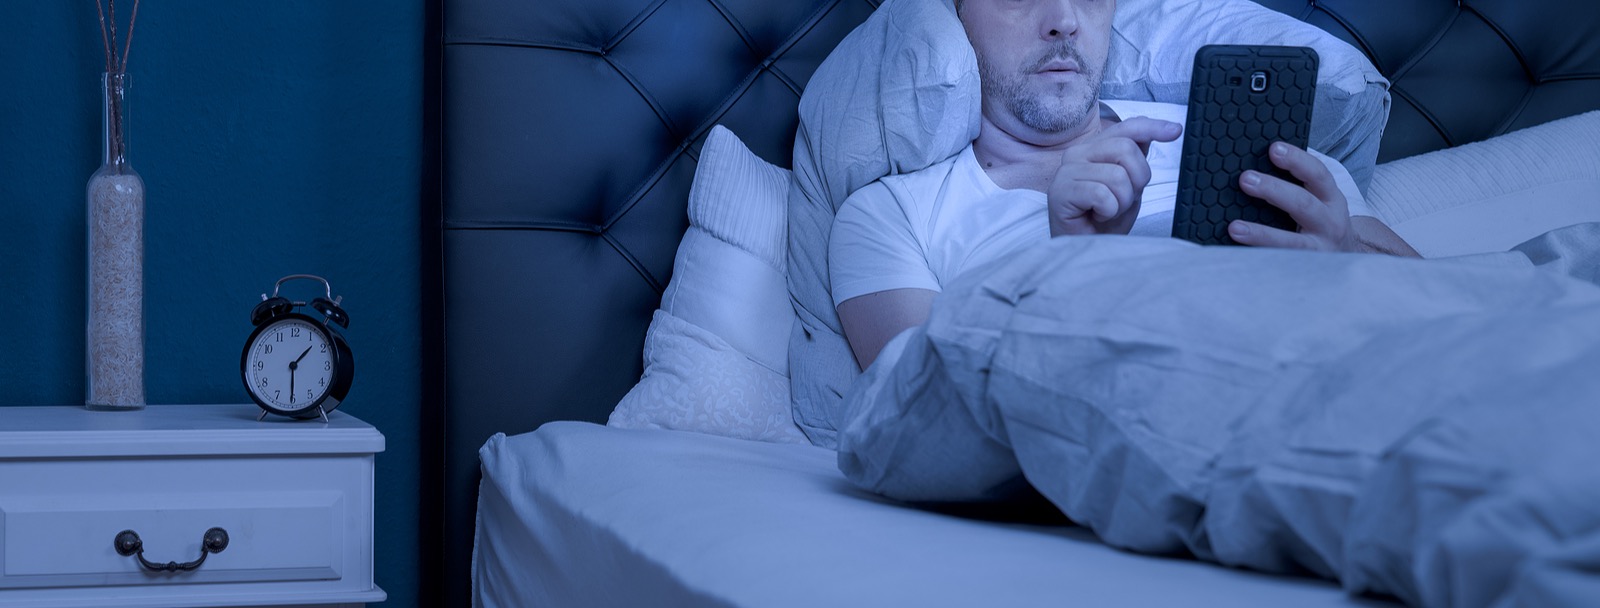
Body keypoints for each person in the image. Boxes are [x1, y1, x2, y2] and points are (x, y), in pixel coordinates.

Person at [829, 0, 1421, 370]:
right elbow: (914, 426)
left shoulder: (1270, 152)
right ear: (955, 14)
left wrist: (1348, 258)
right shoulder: (889, 215)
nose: (1064, 18)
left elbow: (1458, 307)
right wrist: (1078, 265)